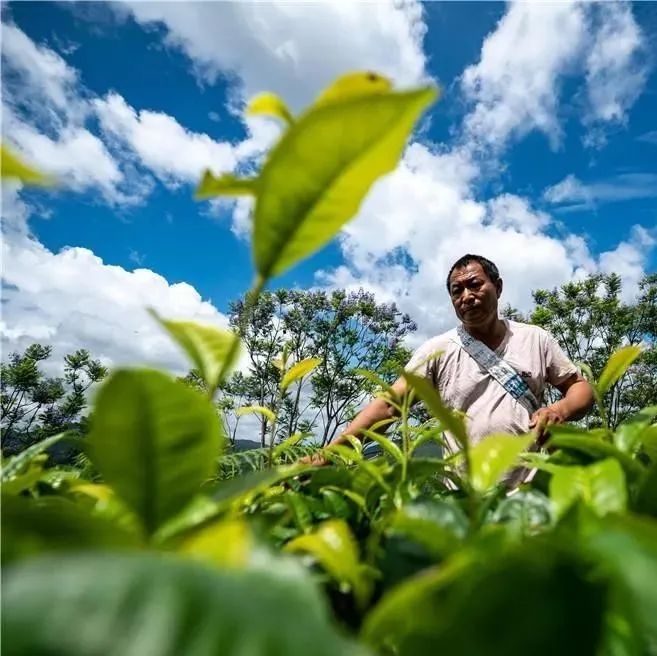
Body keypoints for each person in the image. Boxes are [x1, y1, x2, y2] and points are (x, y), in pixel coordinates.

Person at [305, 254, 594, 478]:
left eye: (475, 284)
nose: (466, 296)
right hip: (467, 496)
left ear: (498, 287)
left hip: (534, 490)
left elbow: (580, 388)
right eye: (457, 291)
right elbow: (390, 406)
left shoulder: (535, 338)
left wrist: (559, 410)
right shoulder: (437, 350)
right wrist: (330, 454)